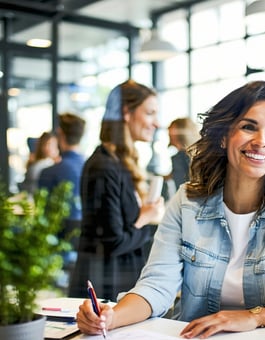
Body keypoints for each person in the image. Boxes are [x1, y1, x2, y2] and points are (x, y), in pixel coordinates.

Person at [76, 80, 265, 339]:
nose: (261, 141)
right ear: (224, 136)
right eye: (248, 127)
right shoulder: (187, 201)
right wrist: (110, 317)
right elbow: (156, 286)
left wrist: (253, 317)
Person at [68, 79, 164, 301]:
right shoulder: (103, 166)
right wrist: (145, 218)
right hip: (105, 291)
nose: (156, 123)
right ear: (126, 113)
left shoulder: (118, 163)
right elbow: (113, 242)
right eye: (150, 113)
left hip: (117, 285)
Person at [38, 112, 86, 282]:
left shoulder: (48, 173)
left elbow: (43, 216)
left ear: (60, 134)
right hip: (88, 246)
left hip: (59, 246)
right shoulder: (92, 167)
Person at [167, 117, 200, 191]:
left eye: (172, 129)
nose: (168, 131)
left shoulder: (180, 158)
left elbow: (182, 186)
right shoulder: (197, 155)